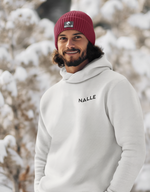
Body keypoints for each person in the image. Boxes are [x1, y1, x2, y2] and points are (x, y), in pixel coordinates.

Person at [34, 11, 146, 192]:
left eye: (77, 37)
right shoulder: (50, 96)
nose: (69, 44)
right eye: (63, 38)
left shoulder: (114, 85)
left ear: (90, 41)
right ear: (57, 44)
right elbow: (41, 156)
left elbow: (134, 149)